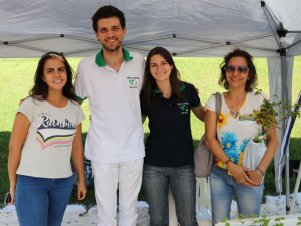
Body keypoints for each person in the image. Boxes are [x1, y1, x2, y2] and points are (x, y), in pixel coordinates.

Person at [74, 5, 145, 226]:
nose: (110, 34)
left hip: (133, 149)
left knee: (129, 211)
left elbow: (152, 96)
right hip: (102, 151)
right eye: (103, 30)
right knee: (105, 214)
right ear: (96, 34)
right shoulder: (86, 66)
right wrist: (39, 100)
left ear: (124, 30)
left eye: (115, 28)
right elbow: (72, 103)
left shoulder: (139, 61)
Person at [7, 51, 87, 226]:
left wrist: (81, 180)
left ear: (67, 73)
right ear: (43, 77)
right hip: (31, 182)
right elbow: (14, 147)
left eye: (61, 70)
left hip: (63, 182)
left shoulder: (74, 109)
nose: (57, 74)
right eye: (50, 71)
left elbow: (77, 149)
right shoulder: (31, 104)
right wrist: (13, 184)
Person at [205, 48, 279, 225]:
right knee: (220, 223)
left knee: (249, 222)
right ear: (225, 72)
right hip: (220, 174)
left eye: (241, 69)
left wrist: (260, 172)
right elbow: (210, 139)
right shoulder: (215, 100)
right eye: (230, 68)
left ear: (249, 73)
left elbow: (273, 140)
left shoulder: (260, 101)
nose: (235, 73)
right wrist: (232, 167)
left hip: (250, 176)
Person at [140, 46, 205, 226]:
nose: (159, 69)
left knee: (188, 220)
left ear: (171, 65)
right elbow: (134, 125)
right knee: (158, 220)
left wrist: (225, 112)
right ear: (149, 70)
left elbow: (205, 117)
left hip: (183, 165)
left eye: (163, 63)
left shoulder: (187, 90)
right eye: (154, 65)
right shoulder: (145, 95)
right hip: (153, 166)